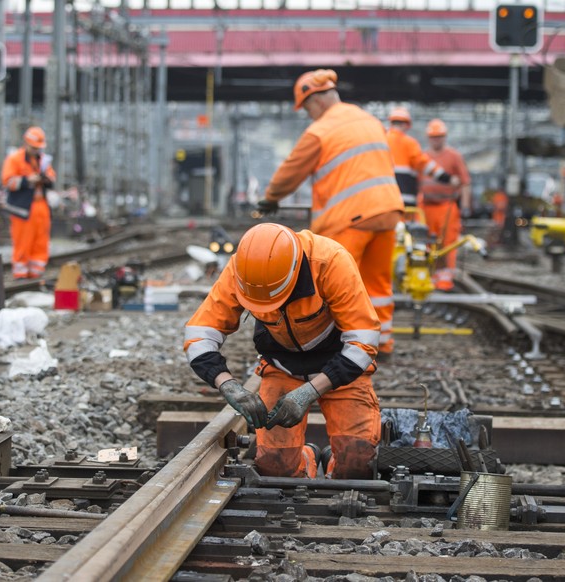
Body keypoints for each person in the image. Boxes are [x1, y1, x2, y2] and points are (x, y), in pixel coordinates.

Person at [184, 223, 381, 479]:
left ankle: (335, 463)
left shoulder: (330, 261)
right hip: (282, 367)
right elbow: (200, 334)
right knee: (276, 467)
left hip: (340, 365)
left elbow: (363, 341)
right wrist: (227, 384)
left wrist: (310, 391)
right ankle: (307, 458)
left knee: (357, 462)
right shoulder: (242, 269)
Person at [261, 69, 403, 360]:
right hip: (388, 211)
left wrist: (271, 197)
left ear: (316, 100)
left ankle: (331, 346)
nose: (308, 115)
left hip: (349, 218)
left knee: (331, 283)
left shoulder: (321, 130)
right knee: (377, 282)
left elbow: (292, 170)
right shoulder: (370, 120)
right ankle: (381, 344)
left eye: (307, 108)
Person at [419, 118, 471, 292]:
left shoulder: (454, 156)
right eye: (433, 136)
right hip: (425, 206)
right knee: (426, 242)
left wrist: (465, 206)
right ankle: (430, 273)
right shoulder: (422, 157)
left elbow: (464, 182)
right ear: (428, 138)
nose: (436, 139)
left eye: (439, 136)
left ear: (444, 137)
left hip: (447, 206)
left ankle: (446, 276)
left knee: (447, 241)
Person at [1, 126, 56, 279]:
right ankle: (20, 274)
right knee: (23, 242)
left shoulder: (43, 160)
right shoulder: (14, 159)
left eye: (39, 148)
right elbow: (8, 181)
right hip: (22, 208)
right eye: (34, 147)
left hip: (41, 206)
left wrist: (45, 178)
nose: (37, 150)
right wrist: (27, 180)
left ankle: (36, 273)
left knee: (41, 241)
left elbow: (52, 177)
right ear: (26, 144)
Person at [386, 106, 454, 207]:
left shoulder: (382, 140)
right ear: (406, 125)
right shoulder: (409, 143)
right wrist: (446, 178)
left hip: (386, 198)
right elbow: (424, 164)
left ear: (391, 123)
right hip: (405, 199)